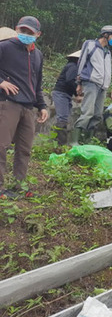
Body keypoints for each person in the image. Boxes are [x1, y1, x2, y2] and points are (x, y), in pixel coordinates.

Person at [0, 16, 48, 199]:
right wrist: (1, 82)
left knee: (24, 148)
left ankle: (19, 186)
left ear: (38, 34)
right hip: (7, 104)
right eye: (23, 31)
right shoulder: (4, 47)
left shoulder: (38, 55)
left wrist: (42, 105)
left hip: (28, 108)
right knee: (1, 145)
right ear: (16, 29)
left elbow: (37, 83)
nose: (25, 35)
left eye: (30, 32)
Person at [72, 25, 112, 145]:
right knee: (87, 112)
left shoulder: (107, 52)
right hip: (91, 82)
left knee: (98, 115)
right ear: (105, 34)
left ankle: (86, 140)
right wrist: (79, 82)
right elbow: (81, 62)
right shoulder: (90, 44)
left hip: (103, 86)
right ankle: (74, 141)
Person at [51, 50, 81, 145]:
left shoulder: (72, 66)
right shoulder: (73, 66)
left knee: (64, 118)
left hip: (65, 93)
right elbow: (70, 81)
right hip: (61, 93)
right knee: (63, 118)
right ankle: (60, 144)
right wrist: (77, 94)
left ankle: (57, 143)